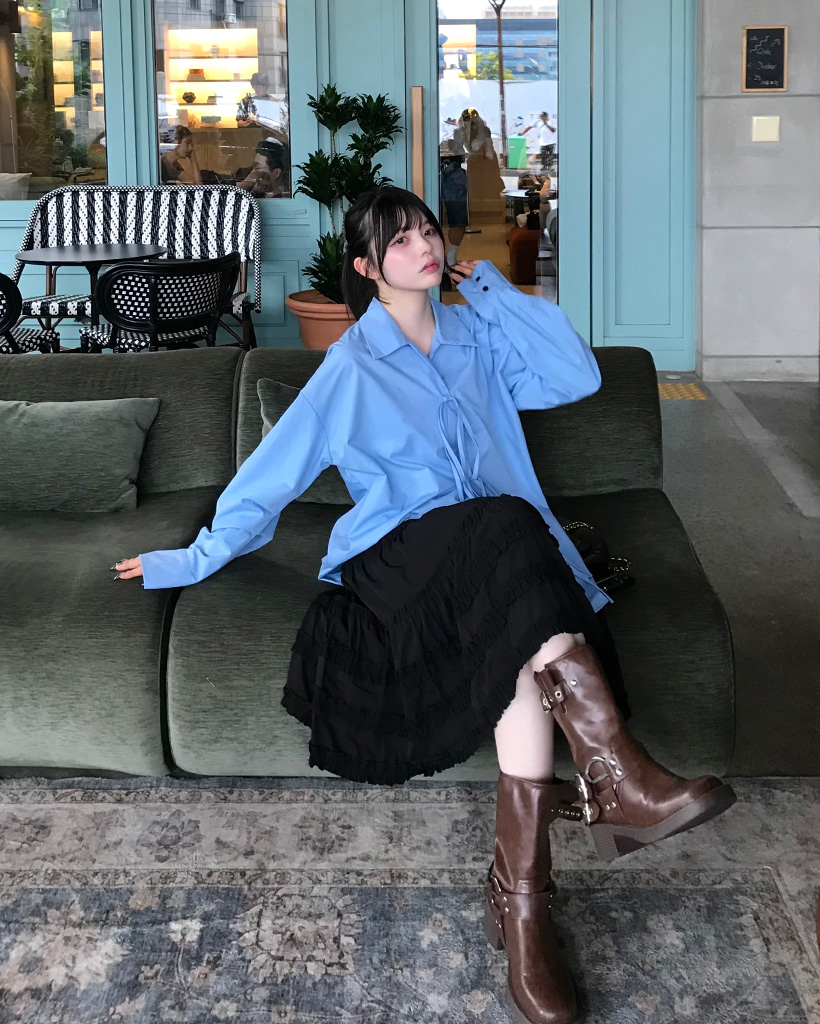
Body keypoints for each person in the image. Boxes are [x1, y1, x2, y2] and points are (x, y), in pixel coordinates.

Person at [110, 185, 736, 1024]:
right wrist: (188, 558)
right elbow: (268, 480)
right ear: (367, 267)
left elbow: (575, 375)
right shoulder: (349, 368)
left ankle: (522, 904)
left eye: (429, 231)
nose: (425, 247)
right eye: (400, 240)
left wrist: (498, 293)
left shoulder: (478, 336)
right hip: (399, 561)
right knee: (506, 527)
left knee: (512, 595)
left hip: (501, 565)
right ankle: (614, 778)